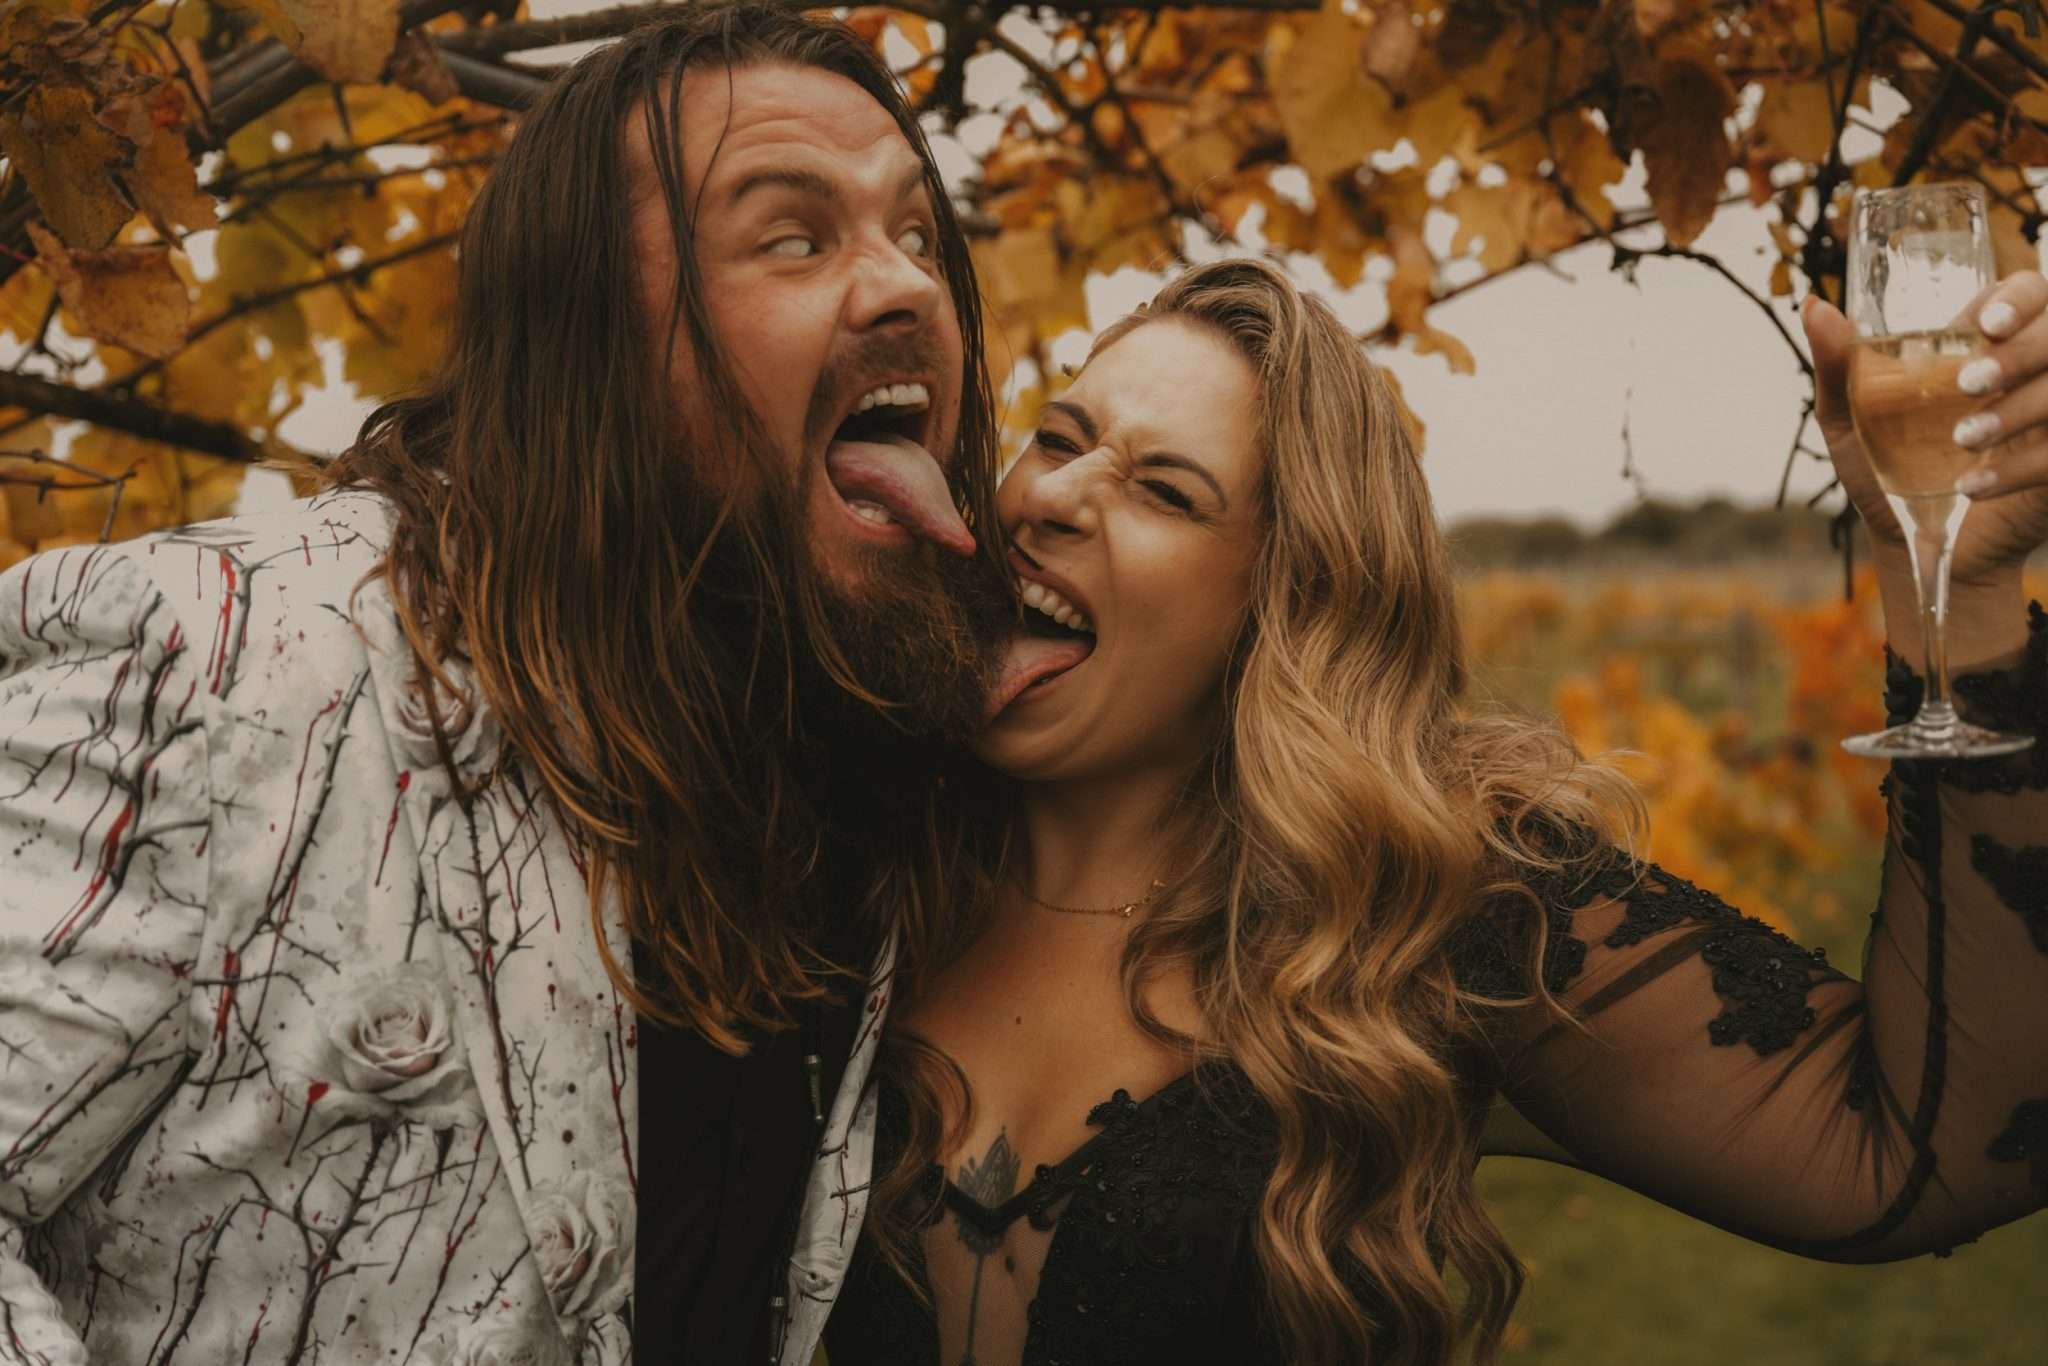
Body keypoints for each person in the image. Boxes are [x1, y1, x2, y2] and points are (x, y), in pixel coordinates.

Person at [0, 5, 1010, 1363]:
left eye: (915, 232)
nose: (906, 288)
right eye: (795, 235)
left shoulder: (837, 804)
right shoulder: (227, 658)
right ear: (588, 331)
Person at [819, 258, 2048, 1366]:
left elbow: (1923, 1145)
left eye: (1164, 491)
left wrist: (1956, 589)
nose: (1051, 496)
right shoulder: (850, 860)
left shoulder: (1420, 910)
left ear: (1279, 605)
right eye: (1058, 435)